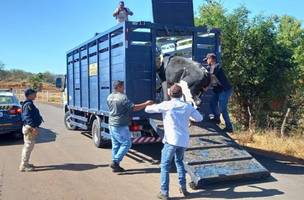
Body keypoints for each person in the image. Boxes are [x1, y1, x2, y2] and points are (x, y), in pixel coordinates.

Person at [145, 84, 203, 200]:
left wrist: (148, 104)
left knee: (165, 166)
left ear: (170, 94)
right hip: (183, 141)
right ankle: (184, 188)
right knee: (180, 163)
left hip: (171, 141)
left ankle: (164, 192)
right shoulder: (187, 106)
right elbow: (199, 118)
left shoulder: (167, 105)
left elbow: (148, 110)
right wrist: (192, 110)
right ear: (181, 94)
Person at [107, 80, 153, 172]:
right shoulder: (122, 97)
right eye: (123, 86)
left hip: (112, 123)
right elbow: (134, 108)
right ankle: (115, 162)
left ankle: (116, 165)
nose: (124, 88)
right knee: (126, 143)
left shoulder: (109, 96)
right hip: (120, 124)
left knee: (116, 145)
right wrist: (146, 104)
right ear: (119, 87)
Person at [204, 53, 234, 133]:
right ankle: (217, 119)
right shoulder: (211, 67)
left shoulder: (217, 66)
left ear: (211, 59)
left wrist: (206, 87)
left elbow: (211, 75)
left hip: (224, 90)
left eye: (207, 59)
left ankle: (229, 127)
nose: (206, 61)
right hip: (218, 90)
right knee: (212, 103)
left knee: (223, 109)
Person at [19, 88, 43, 172]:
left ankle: (26, 163)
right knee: (28, 147)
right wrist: (33, 127)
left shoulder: (29, 103)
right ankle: (24, 166)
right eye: (34, 93)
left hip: (30, 127)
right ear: (29, 95)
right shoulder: (28, 104)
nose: (35, 95)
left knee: (29, 146)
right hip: (29, 128)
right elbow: (27, 117)